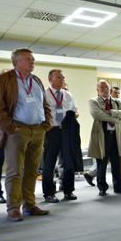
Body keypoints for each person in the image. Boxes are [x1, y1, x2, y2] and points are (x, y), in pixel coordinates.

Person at [0, 48, 52, 222]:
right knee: (15, 171)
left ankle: (29, 205)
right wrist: (11, 128)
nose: (32, 61)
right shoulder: (3, 79)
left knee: (32, 171)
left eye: (32, 59)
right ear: (16, 62)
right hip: (17, 131)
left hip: (38, 130)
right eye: (28, 59)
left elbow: (43, 104)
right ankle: (13, 208)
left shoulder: (36, 80)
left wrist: (47, 123)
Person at [42, 69, 79, 203]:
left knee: (68, 163)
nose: (62, 79)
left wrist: (74, 114)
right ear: (50, 79)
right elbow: (40, 113)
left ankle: (68, 191)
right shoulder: (44, 94)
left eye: (63, 77)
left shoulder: (68, 95)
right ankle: (49, 193)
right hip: (52, 131)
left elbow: (75, 110)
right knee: (49, 164)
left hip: (66, 131)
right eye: (59, 77)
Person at [88, 80, 121, 196]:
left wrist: (111, 112)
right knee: (102, 162)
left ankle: (119, 187)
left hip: (116, 135)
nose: (105, 90)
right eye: (102, 88)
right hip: (102, 135)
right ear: (97, 90)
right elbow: (97, 115)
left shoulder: (117, 101)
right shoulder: (93, 101)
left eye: (106, 87)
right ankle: (102, 188)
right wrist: (116, 118)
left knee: (117, 162)